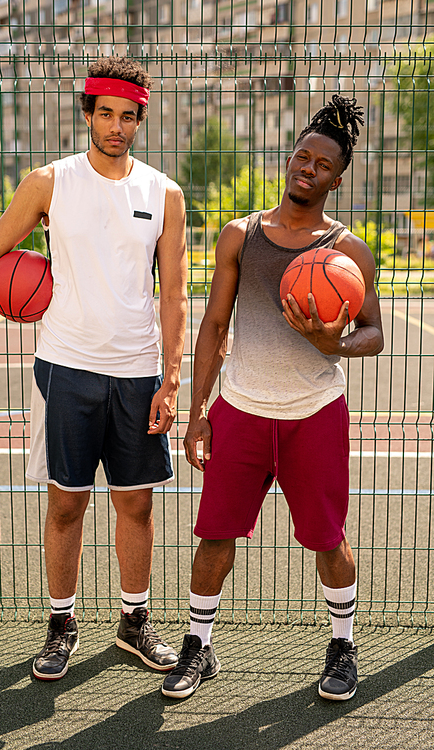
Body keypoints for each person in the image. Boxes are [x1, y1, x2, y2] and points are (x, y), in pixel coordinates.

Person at [0, 56, 188, 681]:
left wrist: (172, 377)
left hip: (139, 372)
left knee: (136, 506)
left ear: (141, 119)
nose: (117, 126)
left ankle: (133, 624)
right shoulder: (49, 183)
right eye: (106, 114)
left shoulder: (164, 193)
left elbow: (174, 293)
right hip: (67, 368)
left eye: (128, 117)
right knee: (67, 505)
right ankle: (60, 625)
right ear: (87, 113)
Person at [161, 95, 384, 701]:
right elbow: (213, 325)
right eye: (301, 156)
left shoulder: (347, 251)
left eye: (322, 164)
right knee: (214, 537)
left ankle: (342, 646)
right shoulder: (242, 235)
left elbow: (375, 333)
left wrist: (330, 343)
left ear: (337, 180)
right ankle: (198, 647)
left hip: (313, 413)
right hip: (240, 408)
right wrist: (199, 412)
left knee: (328, 540)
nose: (307, 168)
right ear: (289, 160)